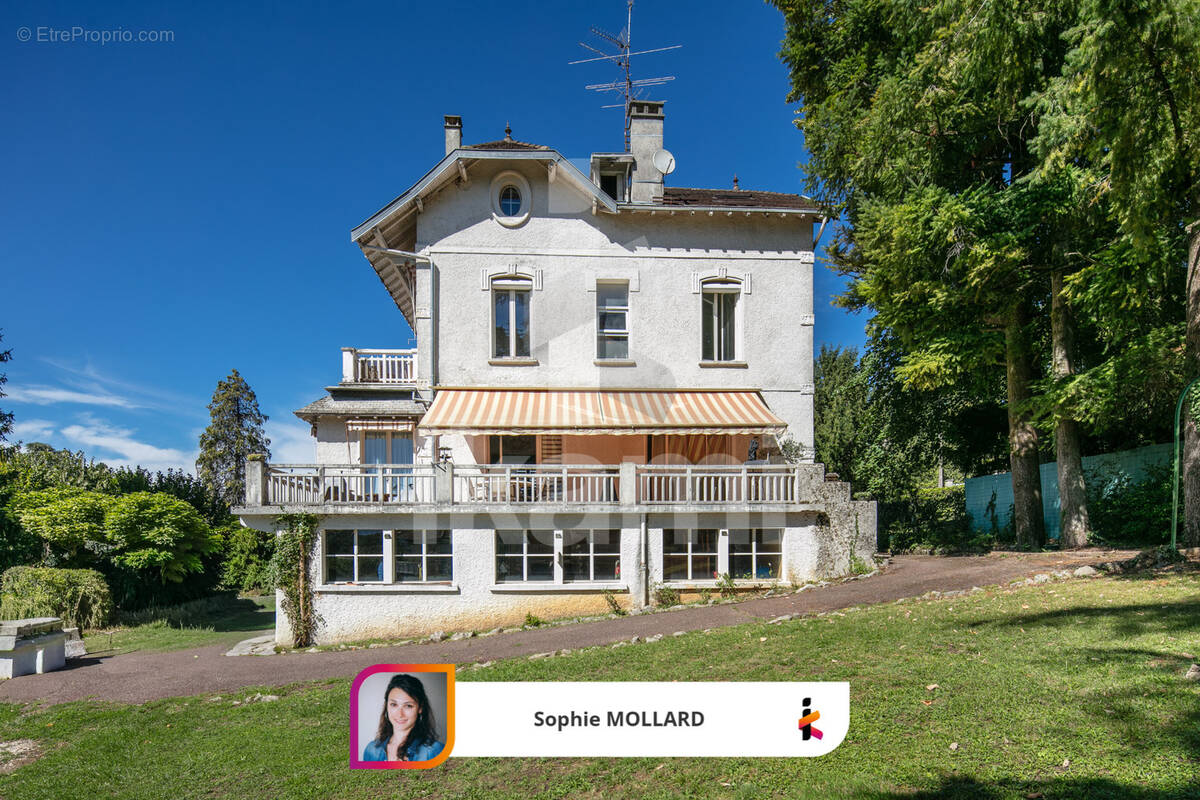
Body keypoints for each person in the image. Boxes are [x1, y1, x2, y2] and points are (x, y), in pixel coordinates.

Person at [362, 674, 445, 762]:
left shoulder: (434, 751)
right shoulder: (371, 750)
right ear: (386, 706)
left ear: (420, 708)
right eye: (394, 705)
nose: (400, 714)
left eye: (408, 706)